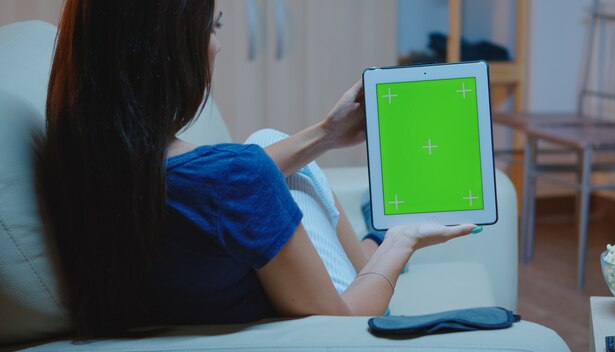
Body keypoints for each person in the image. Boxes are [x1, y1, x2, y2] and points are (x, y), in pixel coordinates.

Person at [39, 0, 477, 339]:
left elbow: (217, 190)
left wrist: (326, 133)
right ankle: (378, 239)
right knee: (267, 148)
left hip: (194, 299)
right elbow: (343, 326)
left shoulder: (84, 158)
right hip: (333, 323)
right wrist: (403, 242)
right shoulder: (236, 178)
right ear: (167, 49)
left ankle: (370, 241)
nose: (218, 43)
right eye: (213, 26)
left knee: (266, 143)